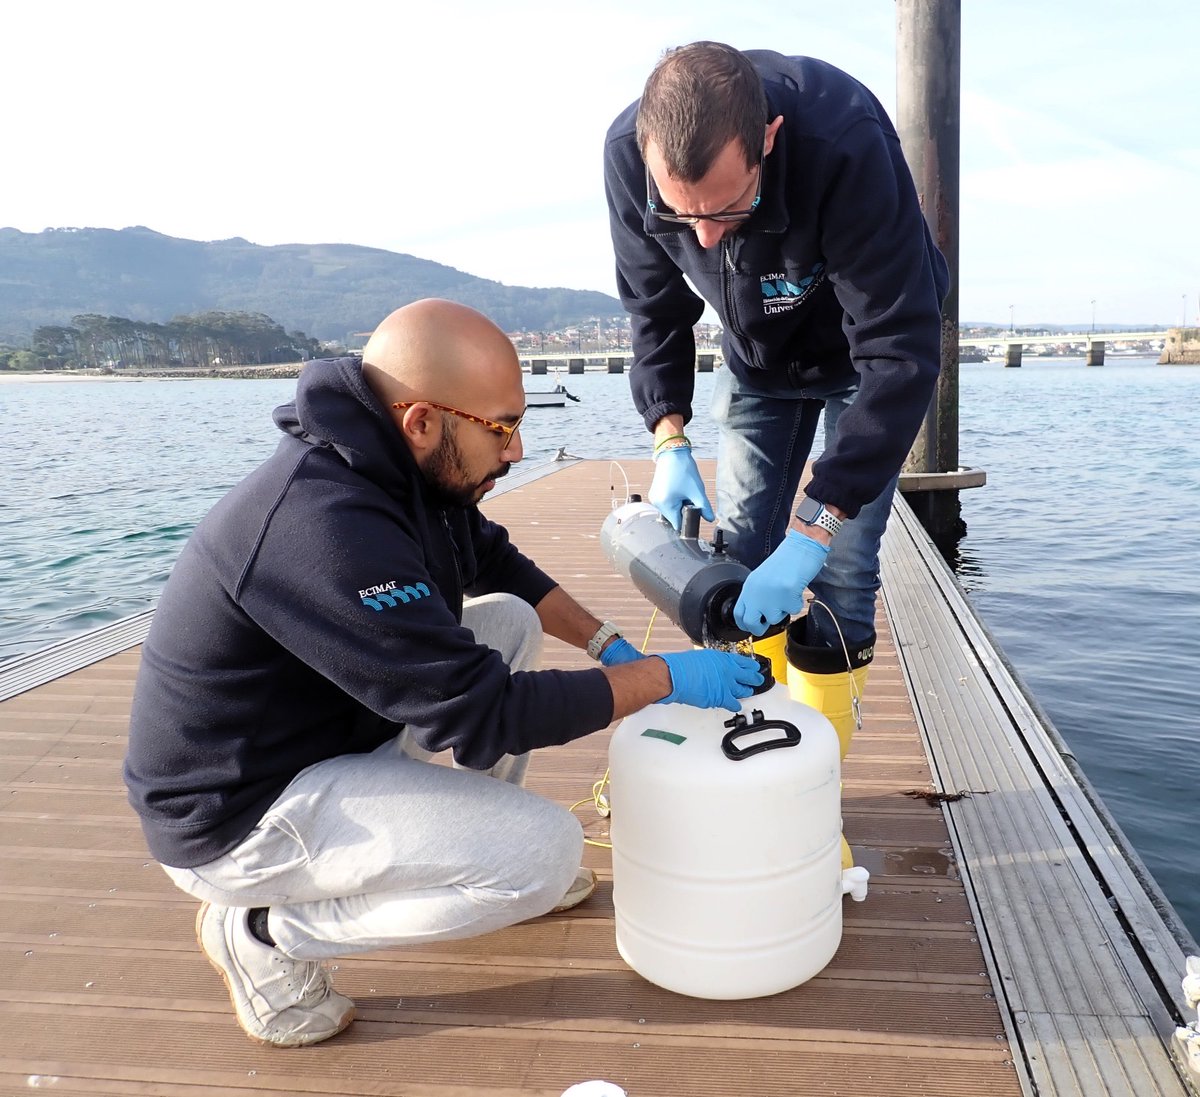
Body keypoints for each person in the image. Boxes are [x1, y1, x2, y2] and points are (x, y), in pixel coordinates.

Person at [124, 298, 762, 1048]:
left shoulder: (405, 465)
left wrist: (606, 643)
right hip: (238, 816)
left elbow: (493, 560)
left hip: (324, 738)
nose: (518, 450)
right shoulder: (324, 529)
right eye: (502, 428)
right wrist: (660, 677)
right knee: (544, 851)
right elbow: (486, 715)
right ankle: (264, 932)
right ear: (422, 420)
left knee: (509, 621)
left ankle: (473, 835)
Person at [602, 42, 949, 695]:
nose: (702, 238)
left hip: (863, 358)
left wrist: (816, 524)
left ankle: (818, 761)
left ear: (768, 139)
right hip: (757, 357)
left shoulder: (844, 140)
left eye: (726, 208)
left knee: (839, 567)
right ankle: (752, 739)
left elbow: (898, 347)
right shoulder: (627, 155)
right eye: (682, 214)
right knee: (736, 560)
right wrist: (668, 436)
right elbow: (654, 309)